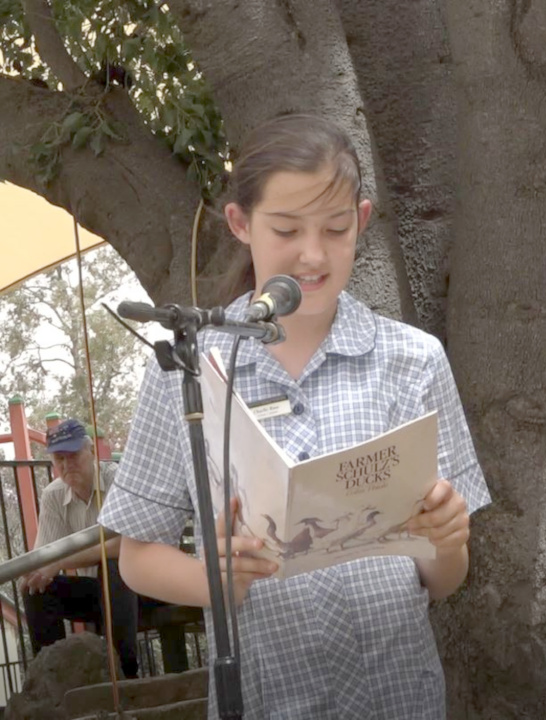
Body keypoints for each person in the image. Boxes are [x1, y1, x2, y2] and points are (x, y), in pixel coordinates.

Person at [99, 113, 491, 718]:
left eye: (336, 229)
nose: (313, 255)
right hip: (265, 698)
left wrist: (447, 540)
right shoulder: (188, 365)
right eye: (286, 229)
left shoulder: (412, 359)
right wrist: (216, 580)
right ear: (241, 224)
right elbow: (136, 557)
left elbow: (443, 580)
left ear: (361, 221)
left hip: (400, 695)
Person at [20, 418, 140, 678]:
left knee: (112, 565)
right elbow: (44, 559)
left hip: (143, 586)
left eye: (73, 455)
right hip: (97, 593)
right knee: (35, 585)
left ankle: (125, 675)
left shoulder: (116, 479)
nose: (67, 465)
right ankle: (52, 679)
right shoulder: (53, 495)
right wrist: (42, 569)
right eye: (59, 459)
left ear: (92, 452)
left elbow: (127, 544)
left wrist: (60, 562)